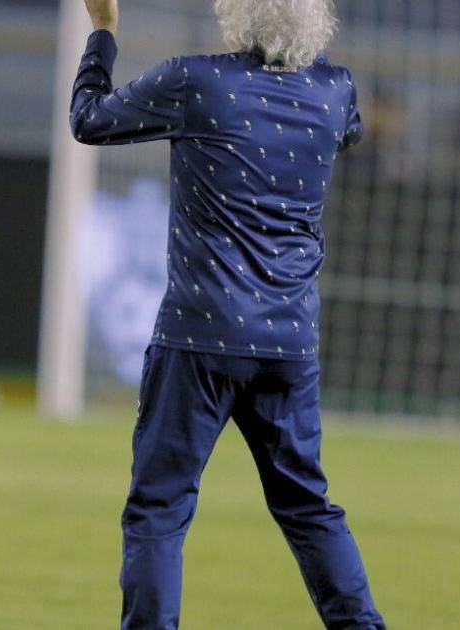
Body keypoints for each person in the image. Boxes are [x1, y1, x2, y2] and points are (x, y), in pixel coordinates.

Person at [71, 1, 386, 628]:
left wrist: (103, 31)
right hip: (289, 342)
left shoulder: (197, 81)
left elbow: (89, 120)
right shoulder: (335, 91)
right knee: (308, 508)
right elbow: (349, 132)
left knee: (159, 510)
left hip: (200, 334)